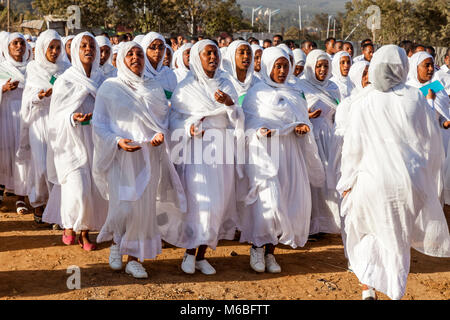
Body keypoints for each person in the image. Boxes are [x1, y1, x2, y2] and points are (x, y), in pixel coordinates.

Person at [337, 44, 450, 300]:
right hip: (407, 183)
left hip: (370, 182)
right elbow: (430, 144)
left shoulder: (364, 101)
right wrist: (426, 178)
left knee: (367, 231)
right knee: (397, 240)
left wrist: (347, 181)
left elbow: (353, 149)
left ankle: (368, 288)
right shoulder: (416, 99)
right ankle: (396, 292)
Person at [92, 41, 185, 278]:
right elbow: (99, 124)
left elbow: (162, 122)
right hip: (120, 156)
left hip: (147, 156)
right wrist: (117, 141)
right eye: (130, 54)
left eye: (139, 54)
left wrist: (157, 138)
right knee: (123, 205)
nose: (136, 58)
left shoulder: (153, 87)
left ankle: (134, 257)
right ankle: (116, 243)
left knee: (143, 209)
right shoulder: (109, 87)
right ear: (121, 58)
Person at [240, 46, 324, 273]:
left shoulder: (294, 94)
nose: (282, 70)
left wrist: (302, 128)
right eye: (277, 66)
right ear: (268, 66)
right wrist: (260, 131)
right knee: (268, 201)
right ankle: (257, 247)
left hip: (290, 154)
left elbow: (301, 120)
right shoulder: (256, 93)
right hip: (265, 155)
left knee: (286, 200)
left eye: (285, 66)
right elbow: (247, 125)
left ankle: (270, 253)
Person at [164, 40, 244, 275]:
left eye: (215, 53)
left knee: (217, 204)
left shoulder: (226, 82)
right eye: (207, 53)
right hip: (196, 151)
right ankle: (189, 252)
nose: (212, 58)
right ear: (197, 58)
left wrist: (229, 103)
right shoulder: (186, 88)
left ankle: (201, 255)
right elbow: (174, 120)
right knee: (200, 203)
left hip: (220, 150)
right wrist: (188, 127)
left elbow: (238, 117)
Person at [47, 32, 108, 251]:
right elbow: (55, 116)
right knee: (78, 187)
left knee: (92, 188)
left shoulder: (103, 81)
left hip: (96, 140)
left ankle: (83, 232)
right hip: (71, 141)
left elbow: (110, 109)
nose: (88, 49)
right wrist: (72, 117)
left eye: (91, 45)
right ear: (74, 50)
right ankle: (70, 225)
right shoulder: (66, 80)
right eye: (83, 45)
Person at [18, 30, 69, 224]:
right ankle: (39, 203)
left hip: (60, 121)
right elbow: (27, 98)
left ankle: (57, 209)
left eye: (57, 48)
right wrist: (40, 96)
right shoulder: (34, 68)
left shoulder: (66, 68)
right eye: (51, 47)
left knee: (58, 165)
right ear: (42, 48)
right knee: (40, 166)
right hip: (39, 121)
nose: (54, 52)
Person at [298, 50, 341, 237]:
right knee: (310, 179)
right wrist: (305, 115)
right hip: (308, 138)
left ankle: (325, 222)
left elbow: (339, 112)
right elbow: (294, 112)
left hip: (328, 137)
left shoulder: (333, 88)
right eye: (318, 66)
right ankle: (309, 223)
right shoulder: (301, 87)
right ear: (311, 67)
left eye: (325, 66)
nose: (322, 69)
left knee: (327, 178)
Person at [0, 32, 32, 215]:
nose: (19, 46)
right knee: (6, 155)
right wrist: (3, 88)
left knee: (23, 156)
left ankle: (21, 197)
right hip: (6, 115)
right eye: (15, 43)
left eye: (21, 43)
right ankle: (5, 190)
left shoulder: (33, 68)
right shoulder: (2, 68)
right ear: (8, 47)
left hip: (27, 116)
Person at [140, 32, 177, 100]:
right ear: (145, 49)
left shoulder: (169, 74)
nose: (157, 51)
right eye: (153, 47)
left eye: (161, 47)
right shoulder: (140, 74)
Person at [222, 40, 257, 106]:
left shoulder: (256, 82)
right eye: (242, 53)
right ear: (232, 55)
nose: (246, 56)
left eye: (249, 53)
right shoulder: (223, 81)